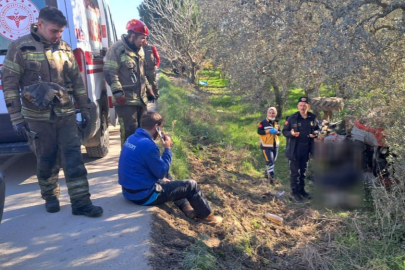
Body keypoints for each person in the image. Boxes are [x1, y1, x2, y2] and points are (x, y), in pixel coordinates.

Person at [1, 7, 103, 217]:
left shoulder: (64, 49)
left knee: (74, 159)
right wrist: (16, 118)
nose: (57, 36)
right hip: (37, 119)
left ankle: (81, 203)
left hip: (65, 115)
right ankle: (50, 197)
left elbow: (76, 81)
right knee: (46, 160)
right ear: (40, 25)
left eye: (60, 32)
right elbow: (10, 84)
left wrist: (84, 108)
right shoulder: (19, 48)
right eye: (53, 31)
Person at [118, 112, 223, 226]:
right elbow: (161, 171)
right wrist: (167, 149)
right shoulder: (149, 145)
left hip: (128, 191)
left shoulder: (131, 138)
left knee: (168, 178)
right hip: (143, 196)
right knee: (191, 185)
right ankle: (207, 217)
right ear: (156, 127)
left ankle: (187, 208)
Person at [104, 19, 150, 146]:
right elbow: (110, 72)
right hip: (125, 101)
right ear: (132, 36)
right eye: (142, 38)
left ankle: (140, 160)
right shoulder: (117, 49)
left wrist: (148, 88)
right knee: (130, 132)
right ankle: (128, 161)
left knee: (143, 131)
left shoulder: (139, 50)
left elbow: (141, 73)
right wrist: (118, 93)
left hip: (140, 99)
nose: (144, 42)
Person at [282, 97, 320, 202]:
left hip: (307, 148)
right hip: (295, 148)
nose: (302, 107)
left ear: (308, 106)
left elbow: (318, 129)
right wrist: (291, 134)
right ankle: (295, 193)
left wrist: (315, 133)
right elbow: (284, 131)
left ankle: (302, 190)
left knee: (303, 172)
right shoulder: (292, 118)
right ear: (298, 106)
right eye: (300, 105)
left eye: (304, 105)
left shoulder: (312, 117)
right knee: (295, 173)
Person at [257, 107, 281, 185]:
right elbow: (259, 131)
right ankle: (271, 180)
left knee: (272, 162)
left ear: (275, 114)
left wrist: (277, 132)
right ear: (267, 113)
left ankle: (266, 175)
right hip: (266, 145)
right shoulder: (263, 122)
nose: (271, 114)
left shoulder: (277, 122)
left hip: (275, 145)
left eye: (273, 113)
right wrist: (268, 131)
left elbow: (280, 133)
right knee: (270, 162)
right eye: (270, 113)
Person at [143, 38, 160, 105]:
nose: (143, 42)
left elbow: (158, 58)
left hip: (151, 69)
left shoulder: (152, 48)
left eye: (144, 41)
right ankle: (147, 97)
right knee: (144, 85)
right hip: (143, 70)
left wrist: (156, 65)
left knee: (153, 83)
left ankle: (157, 96)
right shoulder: (139, 48)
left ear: (147, 40)